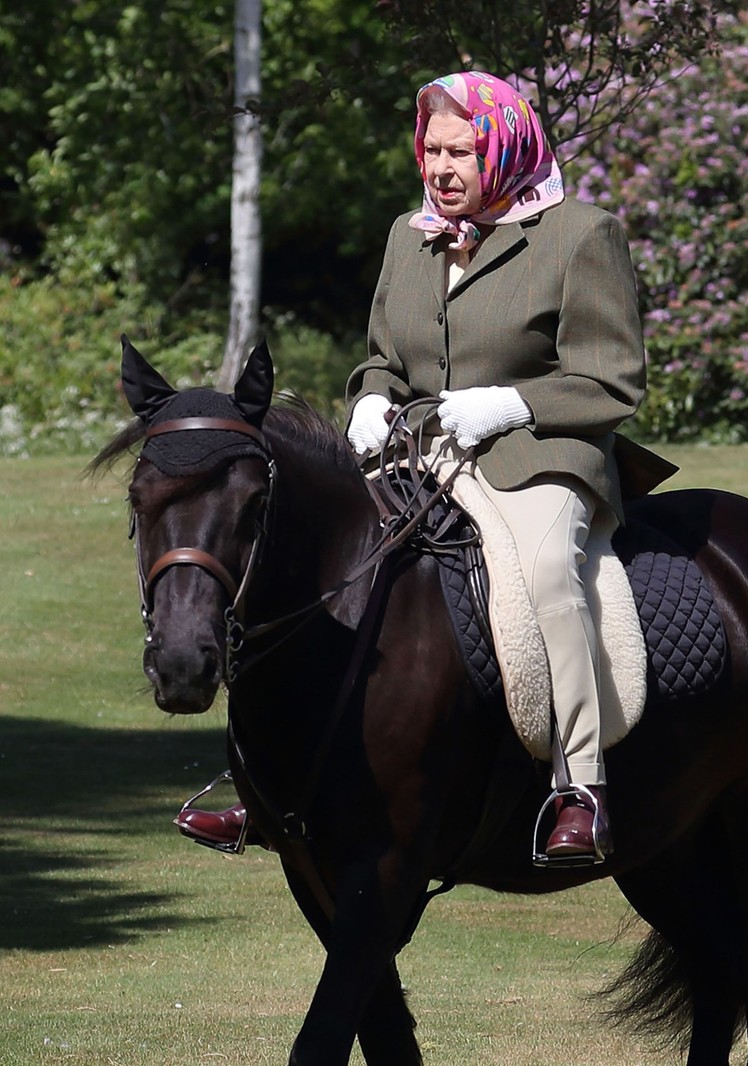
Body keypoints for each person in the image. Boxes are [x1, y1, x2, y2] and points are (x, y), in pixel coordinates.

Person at [179, 70, 672, 863]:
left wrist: (509, 403)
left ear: (505, 148)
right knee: (298, 556)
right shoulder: (408, 236)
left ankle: (579, 786)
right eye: (431, 151)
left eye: (461, 153)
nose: (441, 169)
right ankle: (264, 783)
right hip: (419, 453)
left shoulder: (581, 235)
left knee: (548, 570)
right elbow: (383, 359)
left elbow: (613, 380)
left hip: (536, 454)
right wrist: (369, 399)